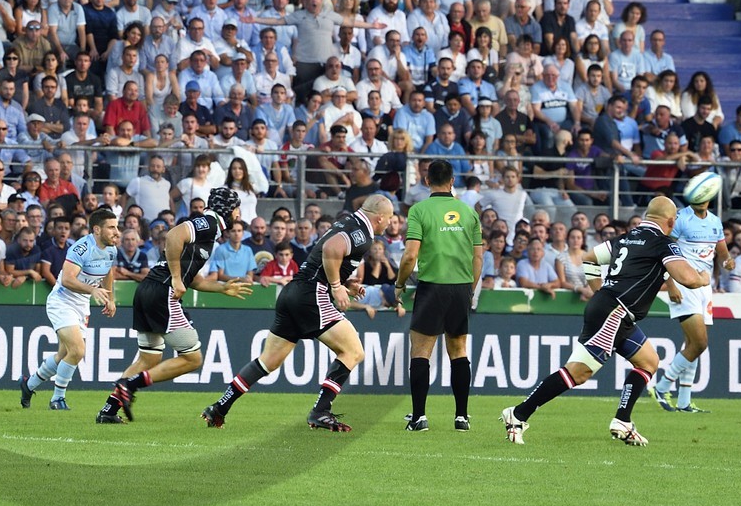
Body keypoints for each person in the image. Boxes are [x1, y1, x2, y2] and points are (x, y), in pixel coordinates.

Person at [502, 195, 711, 448]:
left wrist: (598, 290)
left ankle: (623, 420)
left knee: (648, 361)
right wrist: (702, 278)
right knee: (578, 373)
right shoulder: (662, 243)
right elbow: (687, 278)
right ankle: (518, 414)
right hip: (614, 314)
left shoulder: (625, 238)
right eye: (675, 219)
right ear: (670, 220)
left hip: (616, 311)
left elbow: (589, 258)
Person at [202, 192, 393, 431]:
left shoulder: (347, 222)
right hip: (311, 295)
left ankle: (220, 407)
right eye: (390, 217)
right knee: (353, 351)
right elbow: (332, 249)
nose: (390, 222)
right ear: (379, 217)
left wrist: (344, 283)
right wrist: (335, 287)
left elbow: (324, 256)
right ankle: (320, 411)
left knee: (267, 361)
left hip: (293, 292)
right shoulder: (362, 233)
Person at [96, 186, 254, 425]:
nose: (239, 216)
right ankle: (129, 385)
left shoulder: (209, 233)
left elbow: (196, 279)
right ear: (227, 210)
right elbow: (173, 236)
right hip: (162, 292)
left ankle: (108, 410)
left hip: (148, 290)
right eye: (237, 210)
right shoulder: (208, 223)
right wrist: (178, 279)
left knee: (147, 359)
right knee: (193, 358)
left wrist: (222, 287)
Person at [397, 159, 484, 432]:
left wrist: (399, 284)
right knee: (458, 352)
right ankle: (461, 417)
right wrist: (469, 289)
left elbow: (410, 254)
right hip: (460, 288)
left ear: (426, 181)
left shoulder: (419, 211)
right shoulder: (469, 213)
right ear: (453, 180)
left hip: (432, 287)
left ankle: (419, 417)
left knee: (421, 351)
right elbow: (478, 257)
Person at [20, 205, 120, 411]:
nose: (116, 232)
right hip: (62, 301)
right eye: (111, 227)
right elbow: (67, 279)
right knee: (77, 350)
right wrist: (93, 291)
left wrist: (110, 298)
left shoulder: (111, 249)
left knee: (64, 354)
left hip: (81, 304)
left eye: (116, 227)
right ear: (97, 230)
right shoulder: (81, 248)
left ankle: (28, 385)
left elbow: (108, 272)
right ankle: (57, 399)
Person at [651, 186, 733, 413]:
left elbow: (723, 254)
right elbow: (666, 252)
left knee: (693, 346)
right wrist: (670, 284)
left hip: (704, 288)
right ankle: (662, 386)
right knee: (700, 343)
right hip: (685, 286)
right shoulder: (682, 219)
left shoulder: (715, 222)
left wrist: (728, 262)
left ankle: (684, 401)